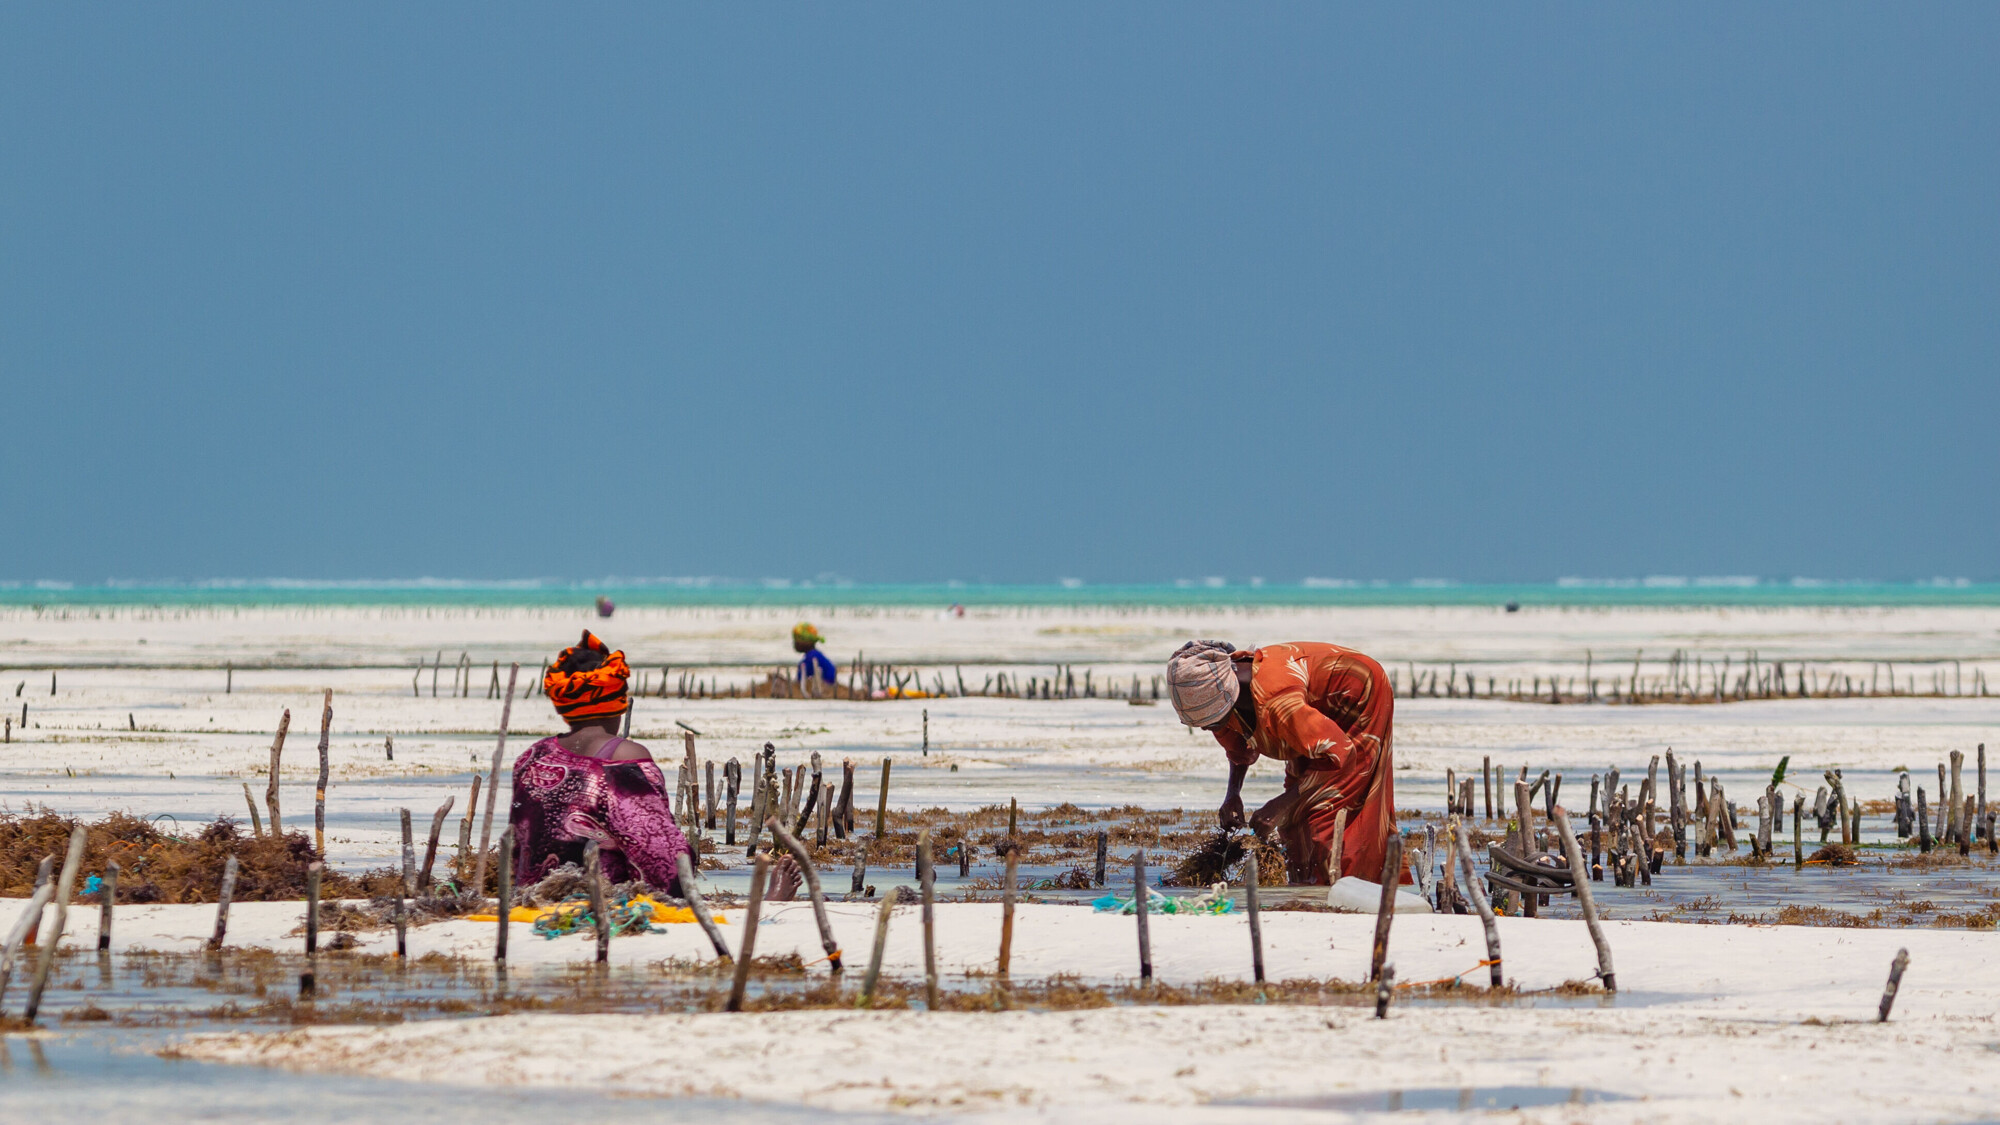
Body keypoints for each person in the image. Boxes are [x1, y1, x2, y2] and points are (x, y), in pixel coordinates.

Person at [1168, 639, 1399, 886]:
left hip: (1356, 695)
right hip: (1311, 716)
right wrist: (1232, 794)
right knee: (1293, 821)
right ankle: (1305, 887)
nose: (1206, 728)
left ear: (1229, 700)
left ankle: (1350, 887)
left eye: (1211, 722)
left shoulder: (1278, 703)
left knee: (1328, 810)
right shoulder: (1227, 695)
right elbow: (1238, 743)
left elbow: (1340, 756)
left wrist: (1280, 805)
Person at [510, 630, 689, 892]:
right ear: (618, 703)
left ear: (563, 707)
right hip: (602, 903)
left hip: (533, 899)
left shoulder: (531, 757)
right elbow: (662, 858)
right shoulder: (625, 758)